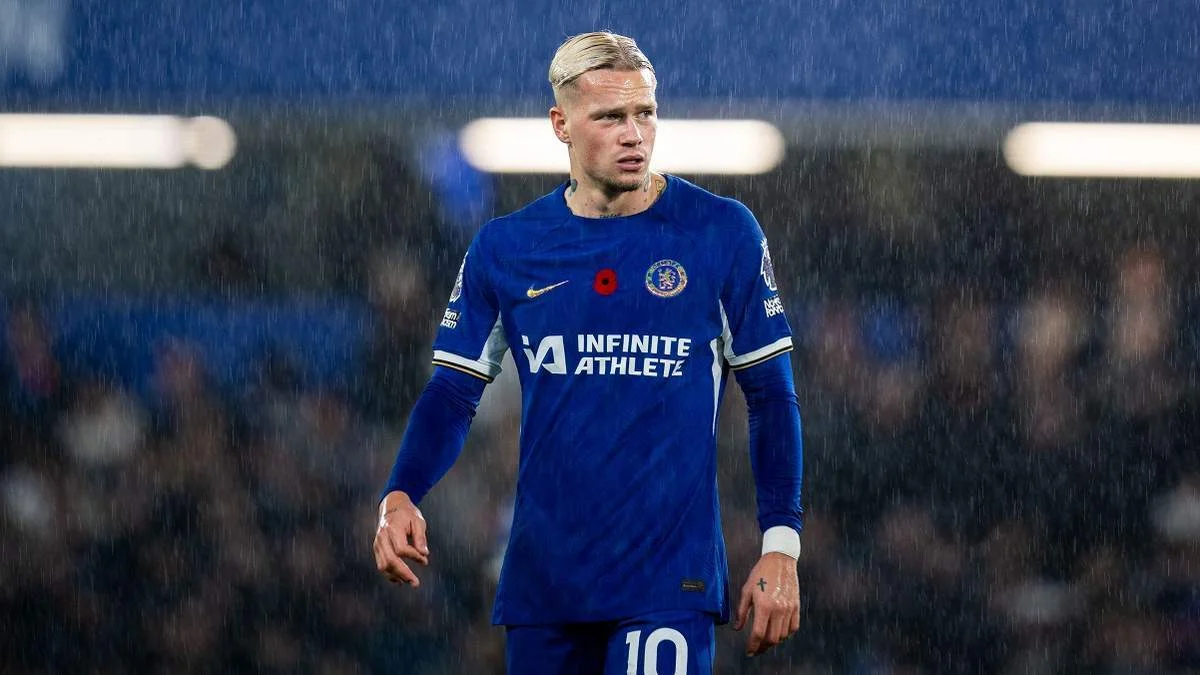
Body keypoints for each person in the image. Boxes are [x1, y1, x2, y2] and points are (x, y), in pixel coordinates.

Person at [373, 31, 804, 674]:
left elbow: (771, 396)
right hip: (546, 586)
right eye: (609, 117)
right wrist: (401, 492)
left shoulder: (721, 233)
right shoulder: (508, 248)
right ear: (561, 125)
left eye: (644, 113)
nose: (634, 134)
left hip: (667, 581)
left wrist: (781, 544)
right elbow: (452, 393)